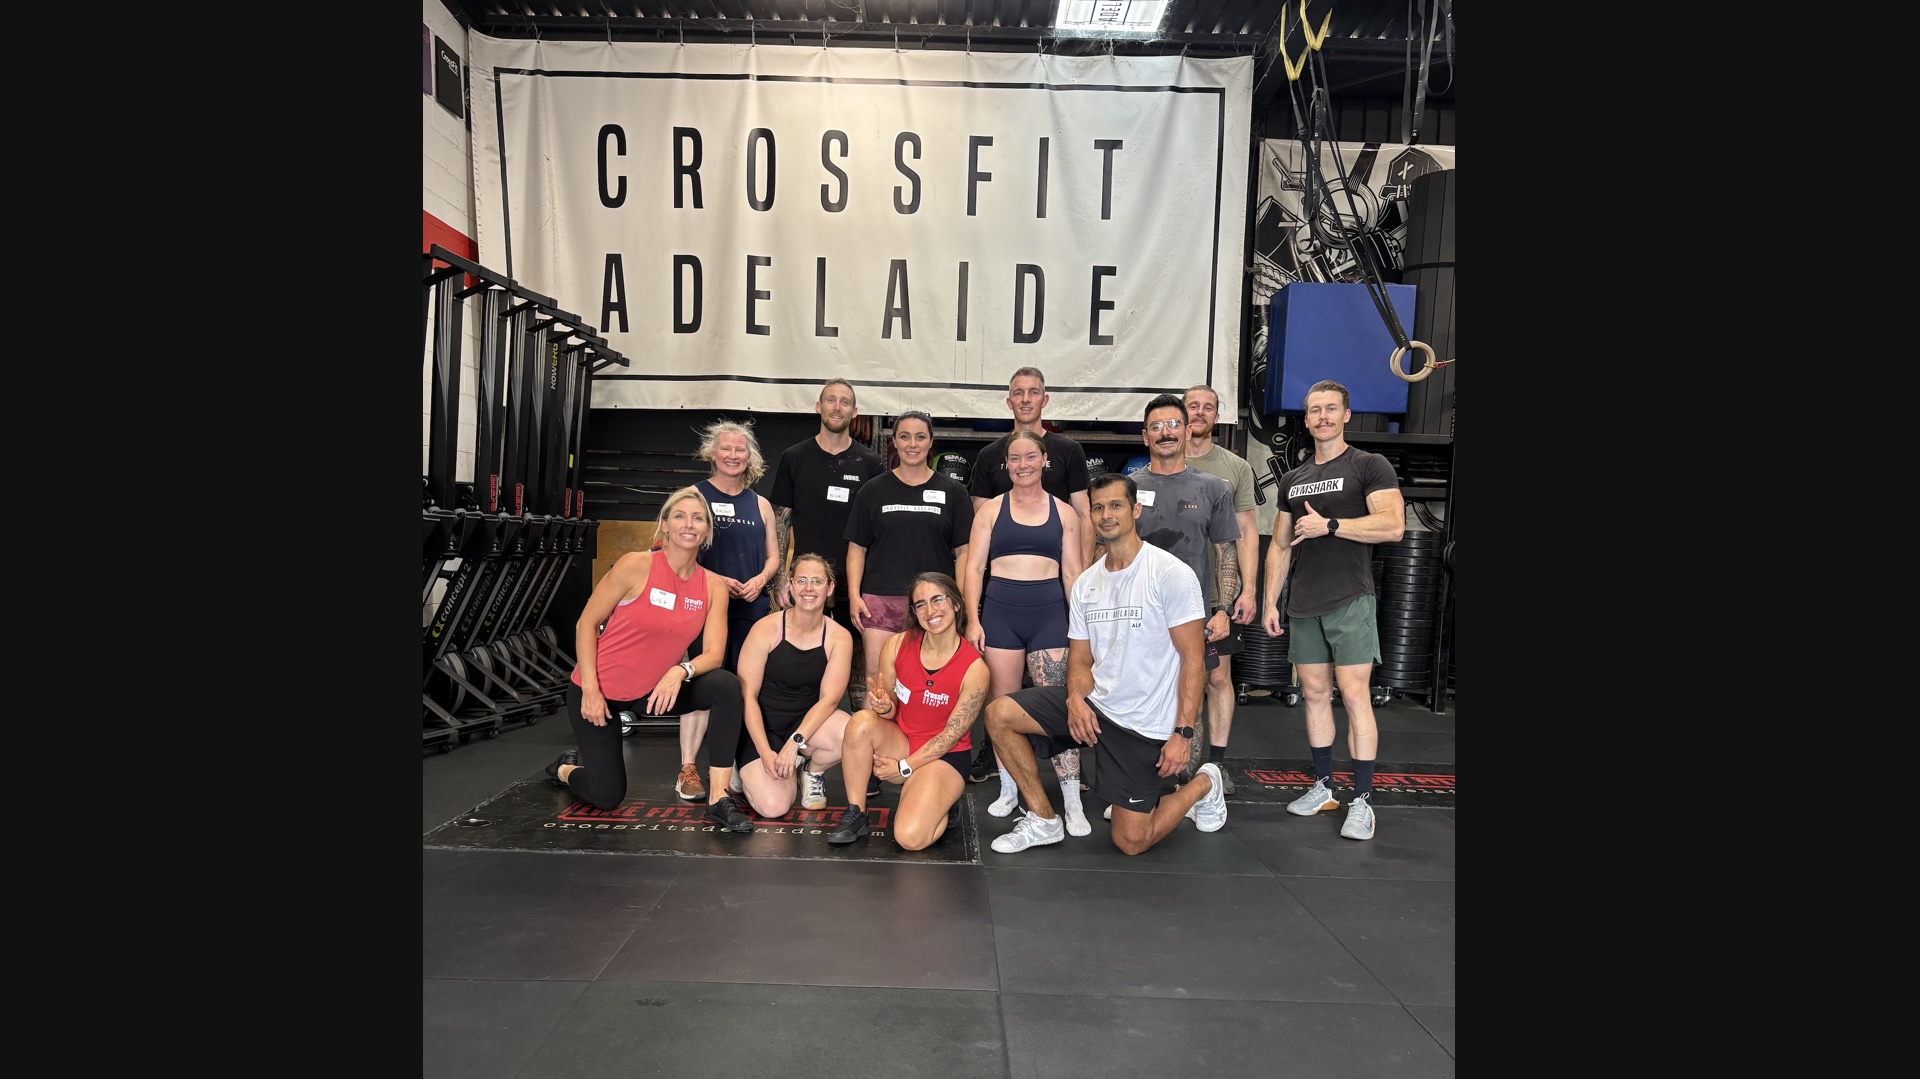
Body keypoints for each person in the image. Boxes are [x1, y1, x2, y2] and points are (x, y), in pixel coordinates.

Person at [982, 473, 1227, 855]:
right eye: (1098, 508)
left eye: (1115, 505)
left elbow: (1194, 660)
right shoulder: (1086, 583)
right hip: (1097, 707)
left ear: (1135, 510)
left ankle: (1205, 783)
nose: (1106, 515)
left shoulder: (1169, 573)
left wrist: (1183, 733)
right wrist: (1075, 700)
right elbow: (1080, 660)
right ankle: (1044, 819)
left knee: (1131, 841)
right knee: (999, 714)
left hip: (1143, 723)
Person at [544, 486, 756, 834]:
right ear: (665, 525)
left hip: (654, 692)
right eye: (680, 516)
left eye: (698, 518)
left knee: (726, 686)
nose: (689, 524)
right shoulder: (635, 565)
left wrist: (681, 670)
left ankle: (718, 799)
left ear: (707, 530)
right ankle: (564, 769)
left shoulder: (713, 585)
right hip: (599, 692)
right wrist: (591, 692)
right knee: (607, 796)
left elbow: (714, 655)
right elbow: (586, 624)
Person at [1259, 379, 1405, 842]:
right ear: (1306, 420)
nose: (1322, 417)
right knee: (1315, 695)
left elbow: (1393, 526)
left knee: (1355, 695)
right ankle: (1324, 787)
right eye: (1314, 410)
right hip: (1304, 602)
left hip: (1349, 598)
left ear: (1346, 415)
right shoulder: (1293, 478)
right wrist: (1270, 600)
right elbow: (1280, 545)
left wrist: (1333, 525)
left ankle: (1362, 800)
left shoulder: (1368, 465)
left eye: (1330, 409)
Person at [965, 366, 1095, 786]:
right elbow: (974, 565)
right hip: (1002, 610)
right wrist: (972, 618)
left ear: (1045, 461)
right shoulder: (989, 505)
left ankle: (1071, 792)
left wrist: (1082, 622)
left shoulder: (1065, 509)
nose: (1023, 465)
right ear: (1006, 464)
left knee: (1058, 701)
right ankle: (1010, 787)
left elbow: (1073, 570)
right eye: (1015, 459)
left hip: (1049, 610)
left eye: (1031, 458)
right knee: (1002, 704)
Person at [826, 572, 989, 849]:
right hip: (902, 740)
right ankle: (857, 812)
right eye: (921, 604)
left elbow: (950, 736)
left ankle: (944, 801)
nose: (930, 611)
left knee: (909, 837)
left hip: (944, 756)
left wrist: (904, 767)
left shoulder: (976, 670)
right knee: (861, 721)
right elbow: (891, 706)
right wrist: (885, 707)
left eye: (937, 600)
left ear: (956, 603)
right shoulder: (897, 645)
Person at [1129, 393, 1242, 780]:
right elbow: (1105, 552)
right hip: (1139, 614)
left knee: (1189, 701)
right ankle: (1138, 786)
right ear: (1145, 436)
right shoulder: (1128, 489)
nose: (1166, 432)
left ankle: (1185, 787)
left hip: (1191, 616)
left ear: (1186, 430)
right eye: (1157, 426)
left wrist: (1223, 610)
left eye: (1174, 424)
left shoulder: (1212, 488)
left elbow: (1225, 552)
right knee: (1138, 697)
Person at [670, 420, 780, 803]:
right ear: (712, 453)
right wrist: (717, 580)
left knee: (746, 689)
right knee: (703, 685)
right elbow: (672, 550)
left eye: (740, 450)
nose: (733, 455)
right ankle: (687, 768)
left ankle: (731, 764)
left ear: (750, 457)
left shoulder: (760, 504)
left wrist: (760, 579)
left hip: (752, 610)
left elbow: (774, 556)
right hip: (705, 609)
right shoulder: (692, 497)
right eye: (726, 448)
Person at [844, 409, 974, 708]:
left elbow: (964, 553)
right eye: (904, 437)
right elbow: (857, 548)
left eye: (920, 437)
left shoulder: (954, 493)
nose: (912, 444)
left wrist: (962, 599)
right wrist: (853, 595)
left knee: (930, 680)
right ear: (894, 441)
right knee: (878, 678)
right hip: (880, 600)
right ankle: (872, 738)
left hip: (934, 603)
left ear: (931, 442)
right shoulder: (873, 491)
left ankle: (923, 738)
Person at [768, 379, 887, 706]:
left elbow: (879, 528)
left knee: (860, 672)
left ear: (855, 411)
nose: (837, 407)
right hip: (807, 585)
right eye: (830, 400)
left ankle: (862, 730)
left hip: (855, 585)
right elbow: (780, 521)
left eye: (844, 402)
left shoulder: (870, 462)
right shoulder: (795, 458)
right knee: (803, 666)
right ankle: (802, 731)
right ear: (818, 407)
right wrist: (780, 581)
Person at [731, 552, 856, 818]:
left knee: (853, 732)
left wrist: (793, 744)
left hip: (803, 728)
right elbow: (747, 697)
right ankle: (742, 766)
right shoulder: (765, 629)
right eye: (801, 581)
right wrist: (765, 753)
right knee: (774, 807)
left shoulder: (839, 637)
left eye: (817, 581)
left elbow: (829, 700)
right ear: (790, 585)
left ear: (829, 588)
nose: (809, 588)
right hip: (761, 729)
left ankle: (811, 771)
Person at [1181, 384, 1260, 794]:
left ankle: (1215, 765)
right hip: (1168, 597)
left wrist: (1247, 590)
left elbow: (1246, 531)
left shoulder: (1234, 467)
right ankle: (1175, 764)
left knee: (1217, 678)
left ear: (1217, 415)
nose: (1199, 412)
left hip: (1216, 596)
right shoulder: (1162, 462)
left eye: (1207, 407)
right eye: (1192, 406)